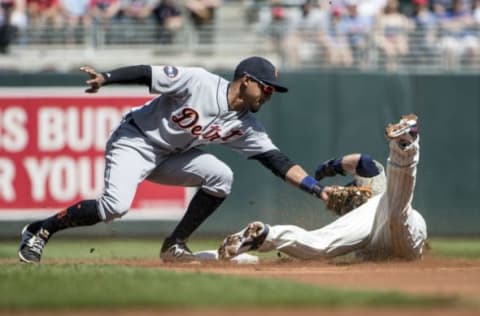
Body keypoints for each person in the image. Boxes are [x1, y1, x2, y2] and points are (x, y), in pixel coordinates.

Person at [17, 56, 331, 264]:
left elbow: (278, 161)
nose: (269, 95)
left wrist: (318, 190)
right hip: (134, 140)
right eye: (266, 88)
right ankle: (39, 230)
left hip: (171, 156)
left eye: (273, 91)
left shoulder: (247, 125)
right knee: (114, 207)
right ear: (246, 80)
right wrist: (107, 78)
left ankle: (174, 245)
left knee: (221, 176)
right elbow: (147, 73)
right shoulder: (199, 82)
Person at [219, 114, 428, 261]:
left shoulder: (374, 188)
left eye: (351, 193)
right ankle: (265, 235)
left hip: (386, 209)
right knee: (320, 245)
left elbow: (363, 162)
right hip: (372, 235)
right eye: (350, 195)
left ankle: (406, 143)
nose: (349, 197)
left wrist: (330, 167)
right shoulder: (353, 218)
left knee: (396, 212)